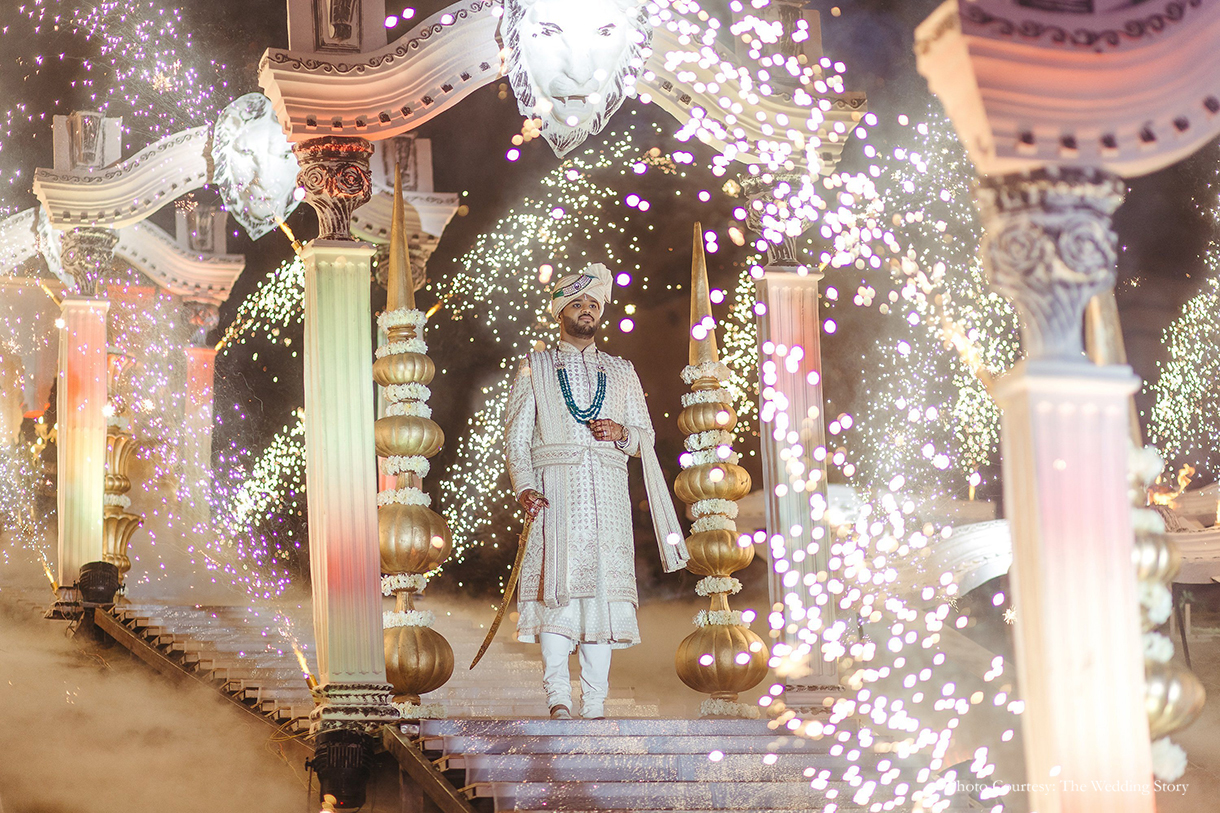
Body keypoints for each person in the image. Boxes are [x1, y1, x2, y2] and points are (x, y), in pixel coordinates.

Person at [505, 262, 688, 719]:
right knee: (558, 594)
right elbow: (515, 437)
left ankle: (595, 705)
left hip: (607, 497)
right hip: (555, 494)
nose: (586, 311)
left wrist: (621, 431)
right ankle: (558, 698)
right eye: (577, 303)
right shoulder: (535, 367)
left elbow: (644, 436)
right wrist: (525, 488)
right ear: (559, 312)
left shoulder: (622, 370)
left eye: (593, 304)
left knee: (604, 599)